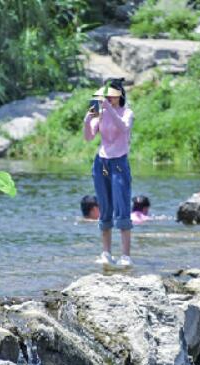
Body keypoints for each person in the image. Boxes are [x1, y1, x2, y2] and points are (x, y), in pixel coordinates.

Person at [83, 79, 135, 268]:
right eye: (106, 95)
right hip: (101, 162)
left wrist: (109, 109)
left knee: (122, 206)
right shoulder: (101, 113)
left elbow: (123, 127)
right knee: (104, 207)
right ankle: (106, 253)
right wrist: (88, 119)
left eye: (112, 94)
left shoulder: (127, 112)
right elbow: (89, 137)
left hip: (119, 162)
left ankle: (126, 255)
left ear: (120, 94)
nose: (108, 98)